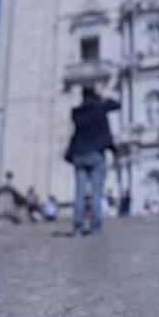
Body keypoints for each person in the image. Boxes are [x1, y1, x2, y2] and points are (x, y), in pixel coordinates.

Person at [64, 84, 120, 235]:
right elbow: (117, 104)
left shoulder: (76, 112)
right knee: (96, 192)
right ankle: (95, 227)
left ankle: (77, 227)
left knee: (79, 193)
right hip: (95, 154)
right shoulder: (100, 107)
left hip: (79, 154)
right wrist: (103, 96)